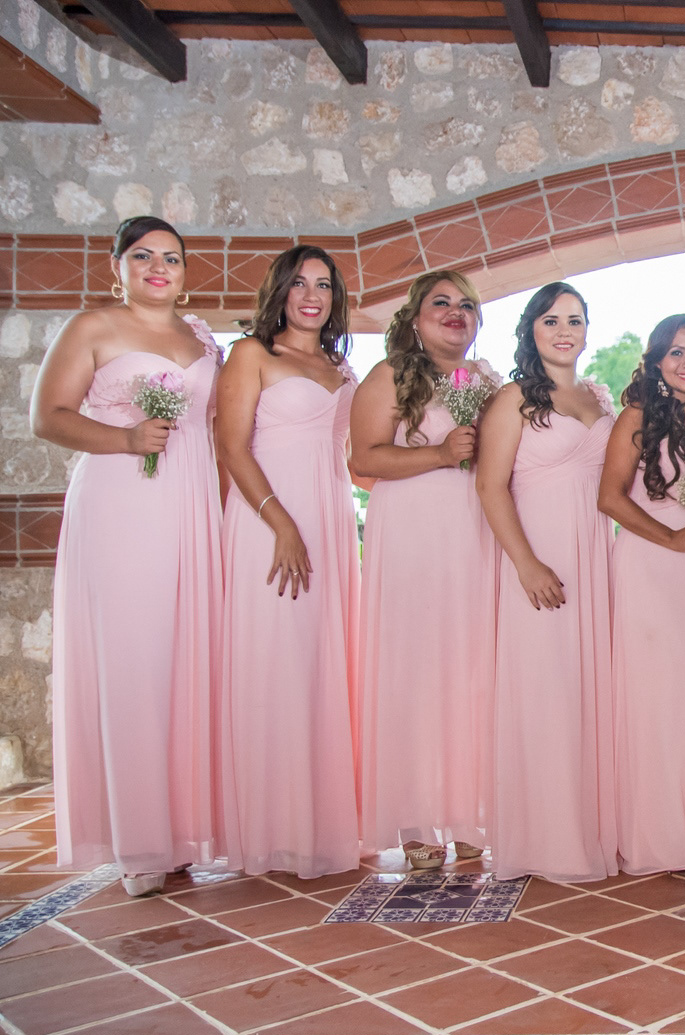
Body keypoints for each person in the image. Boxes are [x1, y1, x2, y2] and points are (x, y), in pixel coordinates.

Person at [31, 216, 223, 897]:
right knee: (133, 661)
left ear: (185, 269)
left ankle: (177, 832)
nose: (157, 267)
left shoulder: (199, 339)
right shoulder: (92, 327)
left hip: (192, 507)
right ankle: (137, 842)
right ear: (118, 265)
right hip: (121, 501)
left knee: (181, 660)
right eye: (142, 255)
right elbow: (47, 415)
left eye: (171, 257)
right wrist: (127, 438)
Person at [215, 245, 361, 879]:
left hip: (331, 526)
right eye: (300, 283)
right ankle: (271, 830)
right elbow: (230, 445)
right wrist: (280, 523)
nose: (312, 295)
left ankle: (320, 825)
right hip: (270, 527)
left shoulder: (339, 365)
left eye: (324, 285)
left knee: (321, 666)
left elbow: (355, 461)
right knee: (274, 664)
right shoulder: (252, 355)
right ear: (279, 290)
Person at [351, 272, 499, 872]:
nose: (455, 313)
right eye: (441, 303)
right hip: (411, 534)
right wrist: (440, 453)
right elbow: (362, 460)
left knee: (469, 668)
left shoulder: (486, 382)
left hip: (474, 532)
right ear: (414, 317)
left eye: (466, 305)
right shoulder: (389, 377)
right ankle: (415, 820)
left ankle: (467, 813)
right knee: (413, 669)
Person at [476, 283, 618, 882]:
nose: (565, 330)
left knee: (593, 693)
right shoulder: (514, 399)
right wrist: (526, 564)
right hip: (539, 561)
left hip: (599, 561)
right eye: (552, 319)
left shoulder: (600, 397)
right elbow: (489, 487)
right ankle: (545, 839)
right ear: (531, 329)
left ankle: (595, 829)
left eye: (576, 320)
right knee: (546, 693)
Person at [599, 315, 685, 876]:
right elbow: (610, 498)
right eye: (677, 353)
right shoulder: (636, 417)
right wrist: (674, 535)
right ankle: (655, 835)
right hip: (651, 566)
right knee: (658, 698)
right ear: (655, 362)